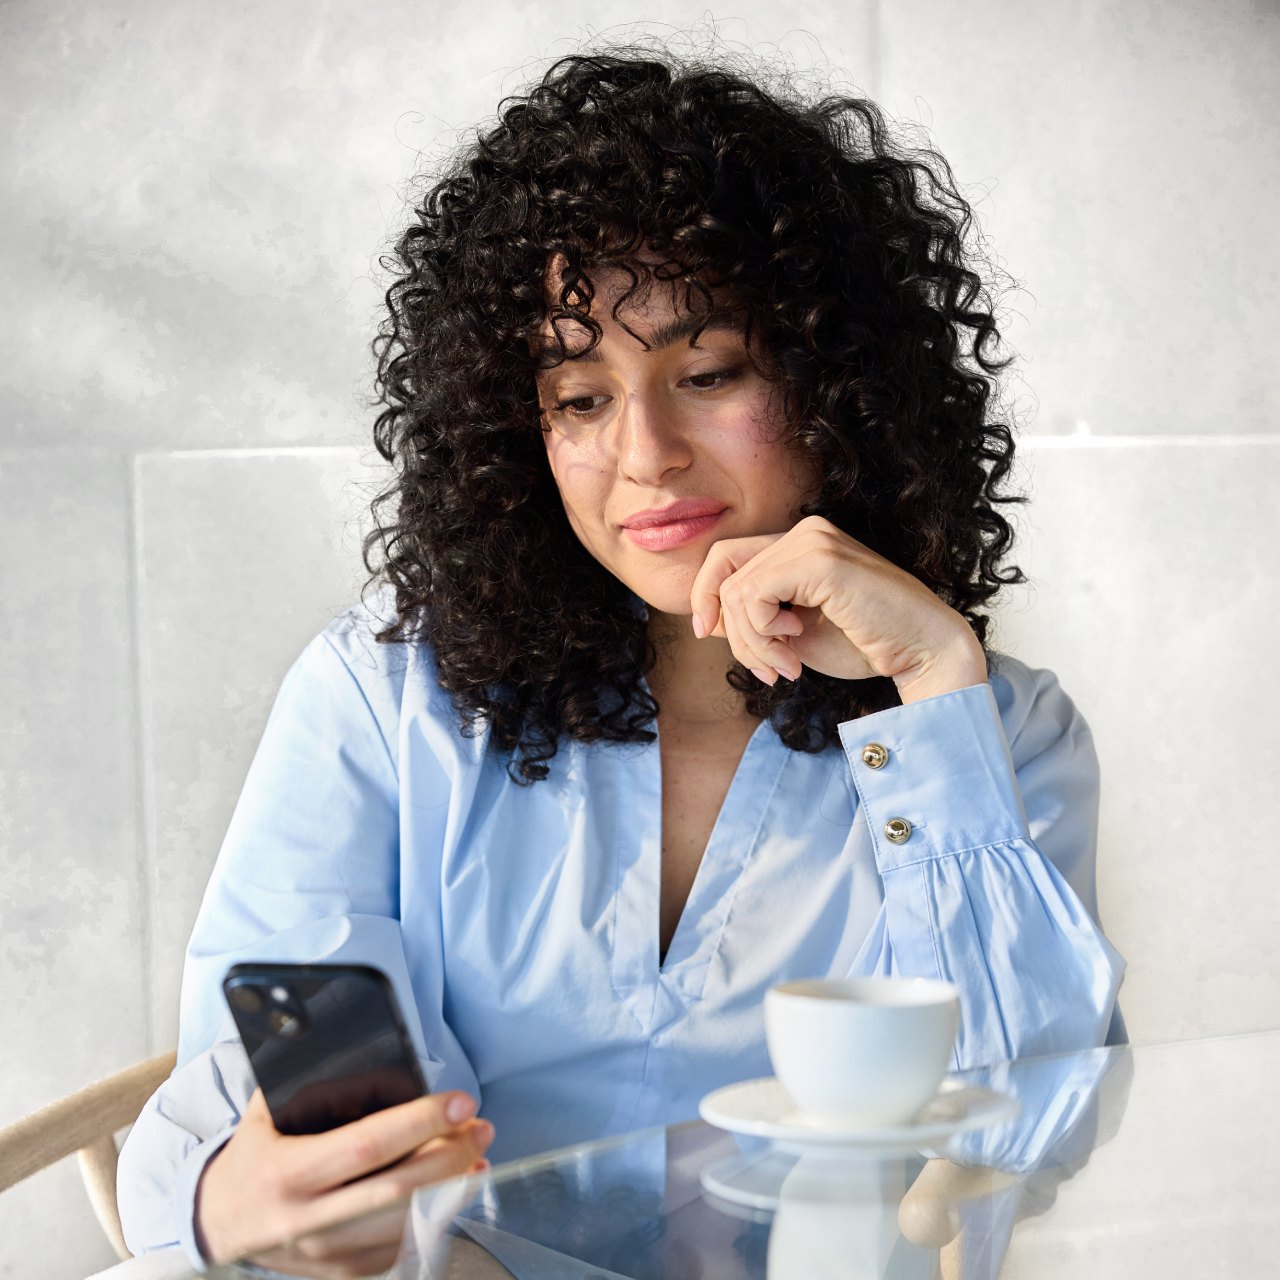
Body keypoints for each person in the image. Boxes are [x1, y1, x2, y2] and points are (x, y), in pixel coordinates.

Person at [117, 48, 1126, 1271]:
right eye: (579, 396)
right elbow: (241, 1092)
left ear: (838, 383)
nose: (644, 452)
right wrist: (237, 1194)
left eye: (705, 373)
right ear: (514, 424)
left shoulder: (994, 734)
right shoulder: (383, 705)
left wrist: (932, 690)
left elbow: (1021, 1132)